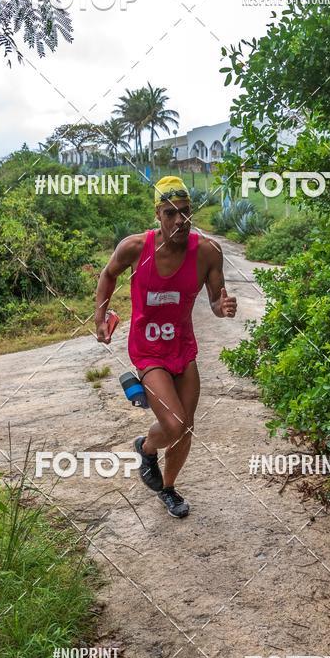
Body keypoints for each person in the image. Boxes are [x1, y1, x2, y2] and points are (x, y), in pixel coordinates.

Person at [94, 175, 237, 518]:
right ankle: (145, 449)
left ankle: (168, 489)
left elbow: (216, 301)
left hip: (183, 348)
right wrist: (100, 316)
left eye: (185, 212)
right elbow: (108, 274)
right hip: (147, 349)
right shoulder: (134, 247)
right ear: (157, 214)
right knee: (173, 424)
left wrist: (223, 308)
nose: (179, 221)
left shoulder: (207, 252)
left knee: (186, 428)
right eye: (170, 213)